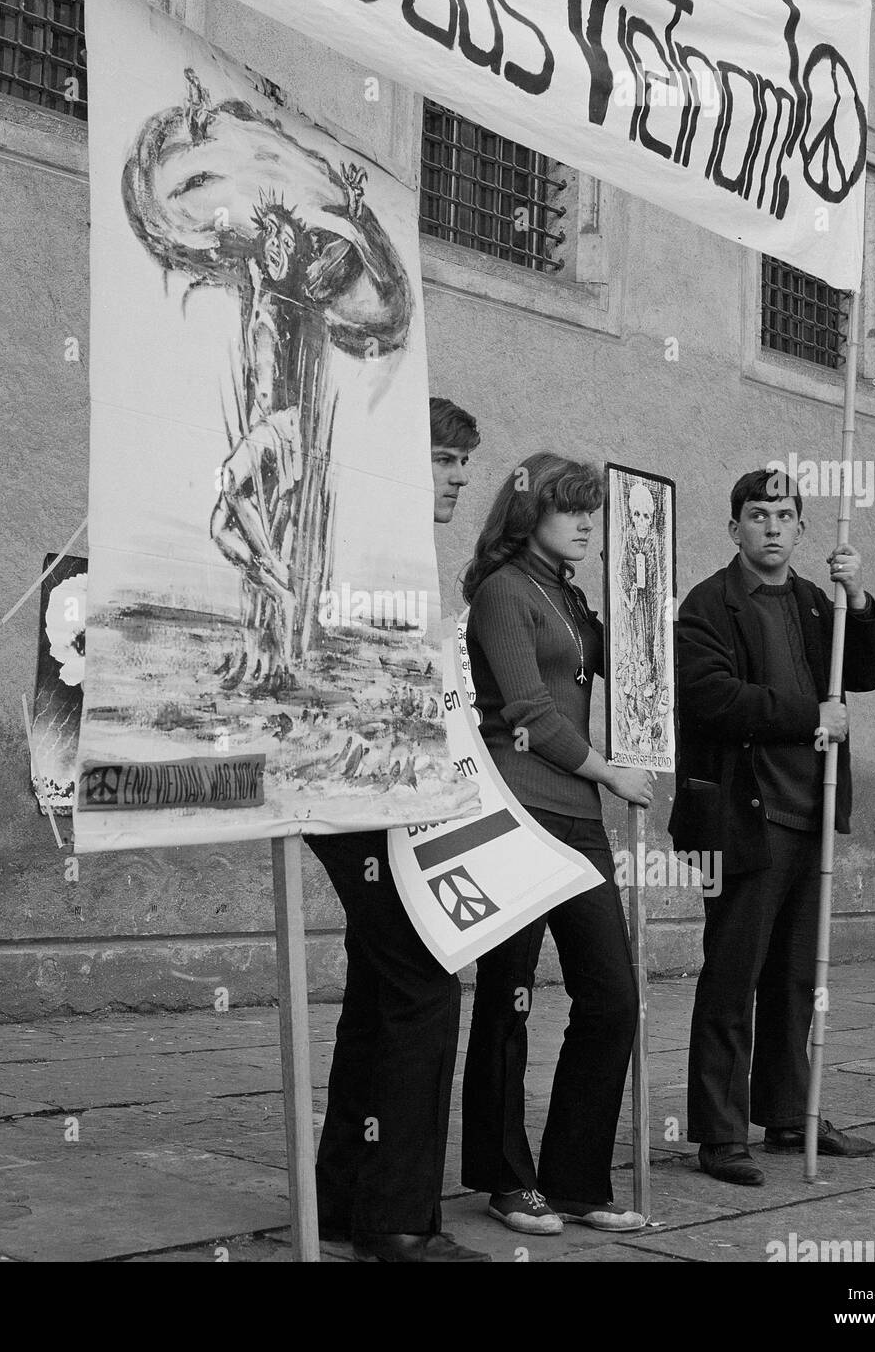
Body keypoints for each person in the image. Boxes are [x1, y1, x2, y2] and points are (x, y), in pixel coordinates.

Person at [304, 397, 487, 1262]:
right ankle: (399, 1222)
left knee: (382, 995)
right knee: (422, 987)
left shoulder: (394, 546)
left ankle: (344, 1203)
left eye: (463, 462)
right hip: (355, 795)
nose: (459, 476)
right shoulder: (369, 542)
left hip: (374, 795)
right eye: (445, 458)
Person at [670, 468, 875, 1186]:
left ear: (800, 530)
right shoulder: (707, 606)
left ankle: (790, 1115)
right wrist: (807, 718)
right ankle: (719, 1133)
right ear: (735, 528)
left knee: (797, 980)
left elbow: (864, 672)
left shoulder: (815, 604)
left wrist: (858, 601)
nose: (772, 526)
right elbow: (710, 698)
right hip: (741, 819)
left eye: (785, 515)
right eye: (758, 515)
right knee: (733, 979)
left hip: (811, 818)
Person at [460, 453, 654, 1237]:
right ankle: (506, 1180)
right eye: (568, 509)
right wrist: (612, 773)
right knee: (508, 997)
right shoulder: (503, 593)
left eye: (590, 512)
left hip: (575, 817)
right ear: (527, 513)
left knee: (611, 995)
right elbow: (531, 712)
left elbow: (634, 671)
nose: (583, 522)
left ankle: (576, 1179)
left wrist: (639, 590)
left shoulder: (568, 598)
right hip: (515, 808)